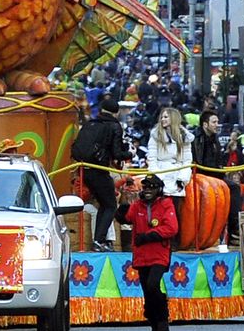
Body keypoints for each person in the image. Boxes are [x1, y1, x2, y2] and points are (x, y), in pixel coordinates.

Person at [124, 174, 178, 331]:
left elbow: (172, 228)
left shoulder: (166, 204)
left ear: (158, 189)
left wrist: (149, 236)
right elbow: (127, 217)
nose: (148, 190)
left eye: (151, 187)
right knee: (147, 292)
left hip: (159, 254)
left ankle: (162, 319)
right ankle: (154, 322)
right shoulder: (137, 205)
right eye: (145, 187)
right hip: (141, 255)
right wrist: (121, 205)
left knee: (153, 284)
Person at [75, 98, 128, 251]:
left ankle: (99, 240)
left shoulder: (90, 123)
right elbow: (117, 153)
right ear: (116, 112)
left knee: (104, 205)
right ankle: (99, 240)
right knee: (110, 205)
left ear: (101, 110)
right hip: (99, 170)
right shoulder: (114, 126)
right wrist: (128, 152)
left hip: (86, 169)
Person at [147, 107, 192, 241]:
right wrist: (157, 178)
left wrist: (182, 179)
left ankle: (175, 243)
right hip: (160, 176)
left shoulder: (185, 137)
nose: (163, 119)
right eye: (162, 117)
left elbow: (187, 161)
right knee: (158, 213)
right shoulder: (155, 135)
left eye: (166, 117)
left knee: (175, 212)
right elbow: (152, 158)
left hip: (177, 177)